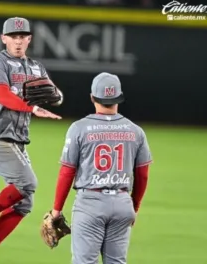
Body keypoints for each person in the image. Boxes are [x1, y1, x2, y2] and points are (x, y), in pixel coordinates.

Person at [0, 17, 62, 263]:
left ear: (29, 39)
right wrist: (31, 109)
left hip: (18, 140)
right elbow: (1, 96)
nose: (18, 41)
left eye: (22, 36)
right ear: (3, 38)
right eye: (13, 36)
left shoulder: (36, 67)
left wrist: (56, 96)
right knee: (28, 183)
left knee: (24, 203)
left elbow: (53, 91)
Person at [50, 72, 152, 264]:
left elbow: (67, 171)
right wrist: (134, 207)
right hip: (123, 204)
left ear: (92, 97)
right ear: (119, 98)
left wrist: (56, 210)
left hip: (90, 204)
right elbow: (142, 175)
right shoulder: (135, 131)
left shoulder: (79, 128)